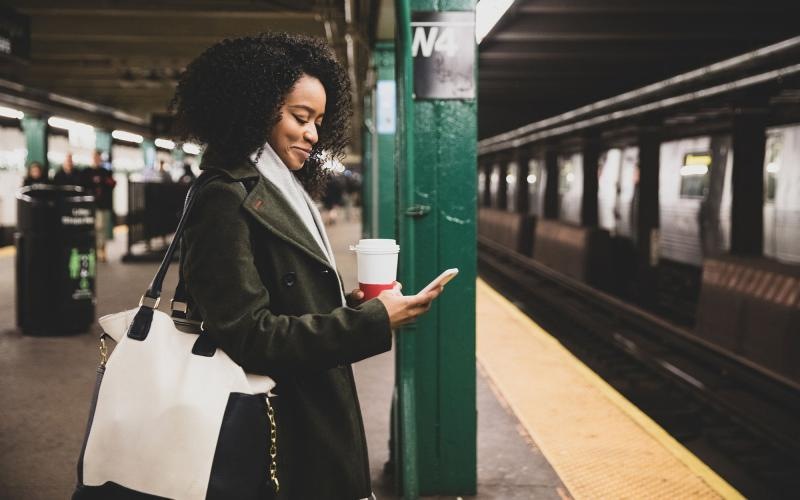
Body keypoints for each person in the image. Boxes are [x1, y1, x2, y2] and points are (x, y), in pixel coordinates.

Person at [172, 32, 442, 499]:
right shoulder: (224, 196)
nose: (313, 135)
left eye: (319, 121)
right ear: (254, 107)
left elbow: (286, 298)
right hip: (273, 427)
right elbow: (249, 335)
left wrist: (350, 304)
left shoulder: (281, 189)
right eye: (301, 117)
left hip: (304, 406)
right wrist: (372, 321)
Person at [85, 150, 116, 262]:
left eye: (97, 157)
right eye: (94, 157)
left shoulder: (105, 172)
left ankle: (102, 250)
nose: (96, 159)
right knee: (94, 229)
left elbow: (112, 184)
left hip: (103, 205)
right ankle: (95, 250)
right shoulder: (86, 172)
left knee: (102, 228)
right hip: (90, 205)